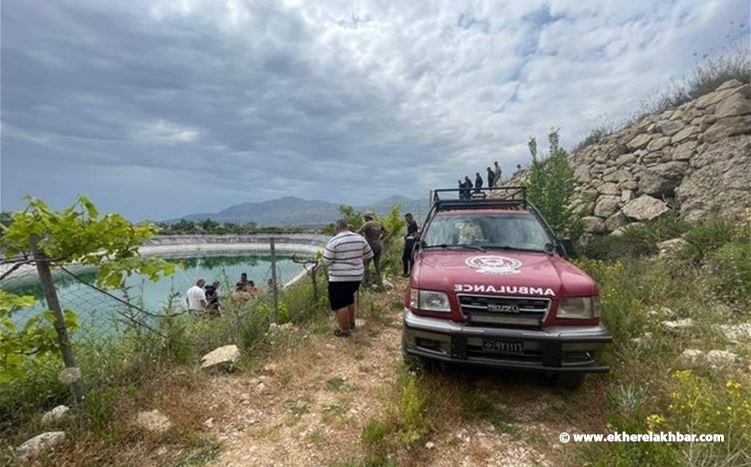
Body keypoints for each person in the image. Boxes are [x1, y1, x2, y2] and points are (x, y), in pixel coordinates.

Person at [322, 218, 373, 337]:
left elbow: (326, 261)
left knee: (340, 304)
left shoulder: (334, 241)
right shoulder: (359, 238)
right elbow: (369, 254)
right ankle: (351, 324)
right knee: (349, 299)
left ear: (337, 228)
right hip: (356, 277)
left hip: (339, 278)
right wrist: (358, 262)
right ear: (347, 226)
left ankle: (344, 331)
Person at [357, 212, 388, 288]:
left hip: (370, 245)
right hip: (378, 245)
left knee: (366, 263)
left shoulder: (368, 224)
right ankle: (379, 283)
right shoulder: (378, 224)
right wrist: (381, 238)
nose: (364, 220)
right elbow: (387, 232)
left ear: (366, 218)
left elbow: (358, 232)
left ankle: (367, 283)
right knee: (377, 265)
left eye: (364, 218)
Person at [403, 213, 420, 277]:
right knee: (408, 258)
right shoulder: (411, 224)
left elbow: (411, 233)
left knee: (408, 258)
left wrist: (407, 236)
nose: (406, 220)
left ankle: (409, 272)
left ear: (409, 218)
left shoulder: (413, 223)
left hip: (411, 242)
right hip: (410, 242)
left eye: (406, 219)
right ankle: (408, 272)